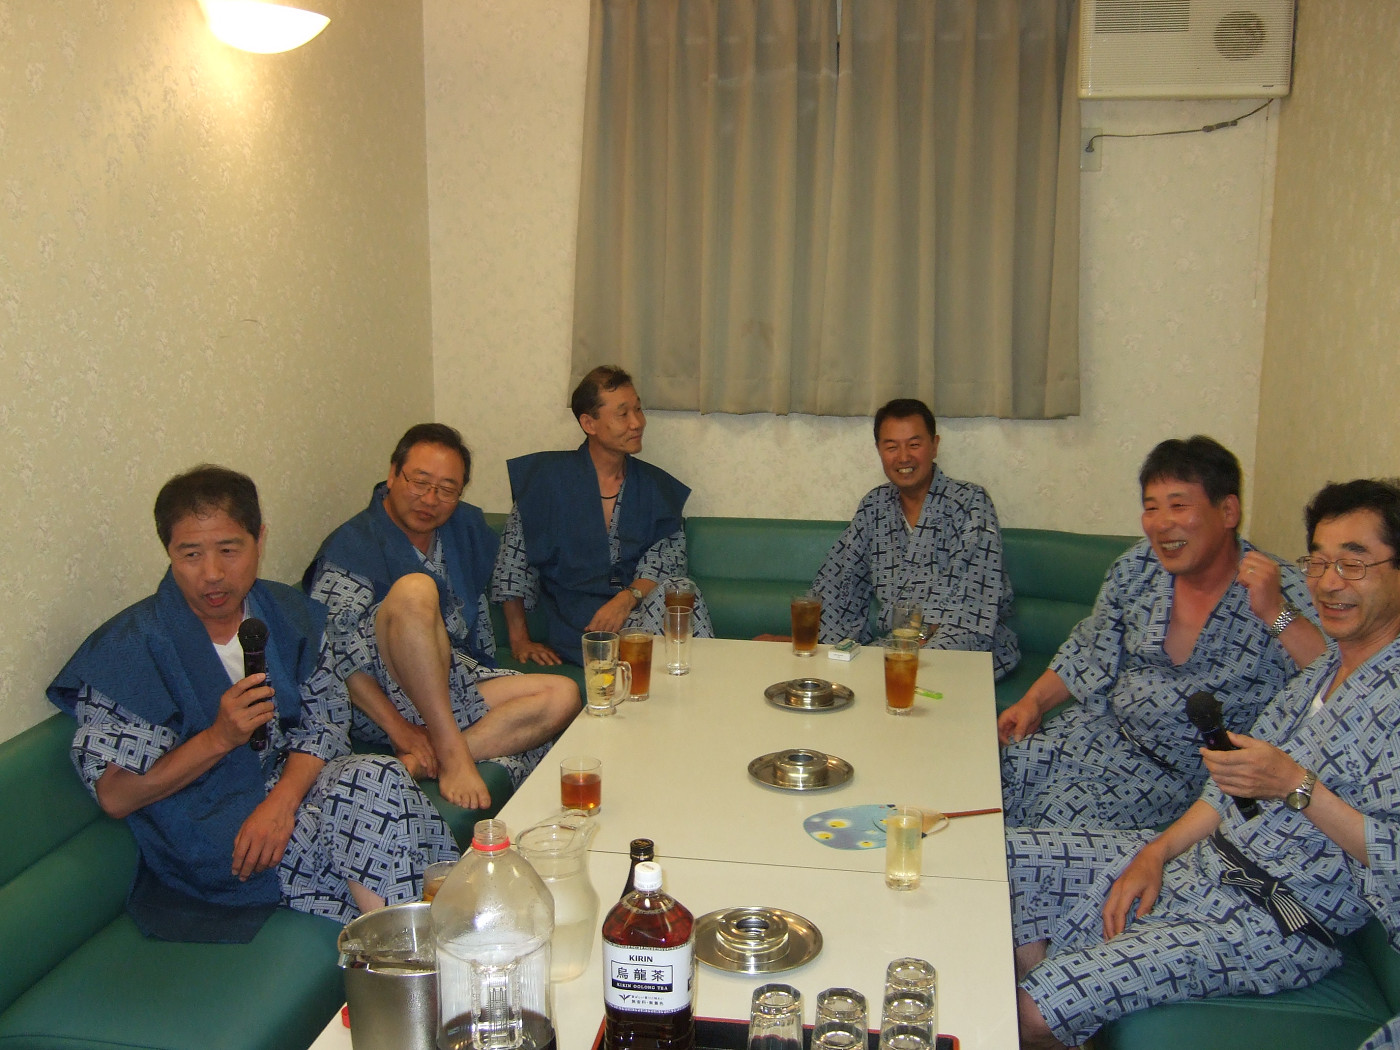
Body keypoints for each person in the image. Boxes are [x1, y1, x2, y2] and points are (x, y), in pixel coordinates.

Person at [1010, 478, 1400, 1049]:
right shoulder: (1322, 672)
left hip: (1270, 919)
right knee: (1004, 860)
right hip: (1200, 863)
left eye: (1354, 563)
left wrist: (1298, 786)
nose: (1328, 582)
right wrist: (1156, 852)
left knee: (1032, 1011)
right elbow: (1227, 786)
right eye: (1318, 562)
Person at [48, 466, 457, 942]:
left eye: (229, 550)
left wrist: (280, 805)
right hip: (216, 829)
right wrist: (218, 739)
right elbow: (116, 796)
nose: (212, 573)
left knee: (377, 775)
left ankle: (407, 945)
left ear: (258, 539)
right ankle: (429, 941)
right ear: (169, 552)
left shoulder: (287, 615)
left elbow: (324, 725)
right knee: (378, 835)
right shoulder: (131, 648)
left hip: (292, 795)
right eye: (191, 554)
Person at [997, 435, 1326, 829]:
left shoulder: (1281, 588)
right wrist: (1033, 702)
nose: (1162, 523)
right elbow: (1088, 651)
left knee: (1052, 819)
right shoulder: (1137, 567)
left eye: (1179, 505)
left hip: (1171, 778)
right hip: (1094, 732)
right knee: (990, 782)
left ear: (1228, 511)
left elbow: (1336, 682)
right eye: (1151, 508)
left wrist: (1275, 612)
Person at [304, 424, 580, 812]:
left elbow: (511, 574)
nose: (430, 499)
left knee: (564, 695)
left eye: (447, 489)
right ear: (392, 474)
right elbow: (334, 658)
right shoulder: (352, 544)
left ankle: (436, 756)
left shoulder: (462, 529)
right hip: (381, 699)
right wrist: (399, 730)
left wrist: (519, 638)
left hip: (449, 678)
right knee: (415, 590)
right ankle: (452, 753)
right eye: (420, 482)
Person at [491, 365, 714, 666]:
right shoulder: (545, 483)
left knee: (681, 591)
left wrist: (627, 598)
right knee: (661, 652)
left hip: (639, 618)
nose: (637, 423)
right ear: (589, 423)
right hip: (582, 627)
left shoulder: (654, 486)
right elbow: (512, 566)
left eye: (638, 409)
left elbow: (667, 560)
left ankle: (687, 680)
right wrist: (520, 641)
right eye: (623, 414)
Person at [810, 398, 1020, 680]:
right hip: (896, 648)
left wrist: (917, 642)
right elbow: (840, 581)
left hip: (965, 641)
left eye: (914, 444)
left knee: (904, 677)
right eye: (891, 447)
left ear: (934, 445)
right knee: (843, 678)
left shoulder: (970, 502)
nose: (903, 457)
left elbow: (974, 601)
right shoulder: (874, 506)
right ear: (879, 450)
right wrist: (829, 651)